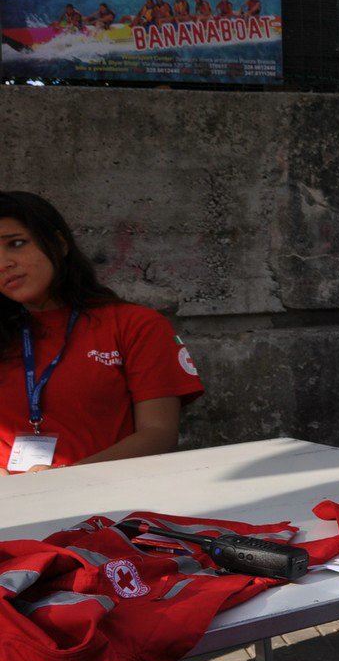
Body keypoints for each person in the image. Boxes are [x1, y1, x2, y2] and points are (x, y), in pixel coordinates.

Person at [0, 192, 204, 474]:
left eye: (16, 243)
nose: (4, 263)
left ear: (59, 244)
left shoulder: (136, 325)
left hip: (106, 505)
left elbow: (159, 434)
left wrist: (69, 478)